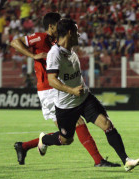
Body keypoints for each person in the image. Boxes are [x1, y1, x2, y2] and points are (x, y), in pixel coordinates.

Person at [11, 13, 119, 168]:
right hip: (48, 90)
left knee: (68, 136)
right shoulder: (40, 38)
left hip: (60, 88)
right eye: (58, 24)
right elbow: (15, 42)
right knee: (75, 125)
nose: (61, 27)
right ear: (51, 26)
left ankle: (25, 146)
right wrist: (33, 55)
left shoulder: (58, 43)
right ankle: (98, 160)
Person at [41, 18, 139, 172]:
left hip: (84, 99)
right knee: (66, 139)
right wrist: (71, 90)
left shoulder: (71, 52)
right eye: (76, 31)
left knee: (107, 125)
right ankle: (44, 139)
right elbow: (52, 80)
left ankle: (126, 160)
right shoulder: (54, 54)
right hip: (66, 106)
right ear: (69, 32)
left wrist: (78, 91)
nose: (79, 34)